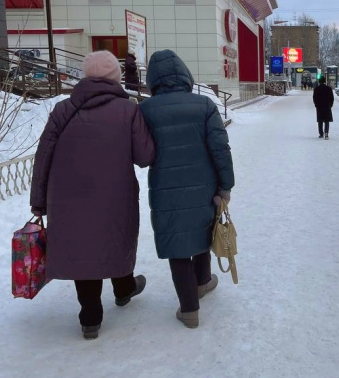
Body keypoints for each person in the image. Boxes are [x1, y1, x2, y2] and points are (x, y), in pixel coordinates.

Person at [30, 50, 156, 340]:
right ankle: (124, 289)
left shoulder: (63, 109)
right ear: (116, 77)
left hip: (66, 198)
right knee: (113, 239)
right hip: (115, 195)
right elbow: (145, 156)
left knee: (83, 249)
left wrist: (38, 200)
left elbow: (43, 157)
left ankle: (90, 317)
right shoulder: (128, 110)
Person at [139, 50, 235, 329]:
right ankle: (202, 281)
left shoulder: (144, 110)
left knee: (177, 243)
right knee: (203, 229)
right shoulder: (204, 105)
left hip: (165, 187)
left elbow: (141, 154)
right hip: (203, 184)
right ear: (184, 74)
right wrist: (225, 185)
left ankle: (190, 307)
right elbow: (221, 150)